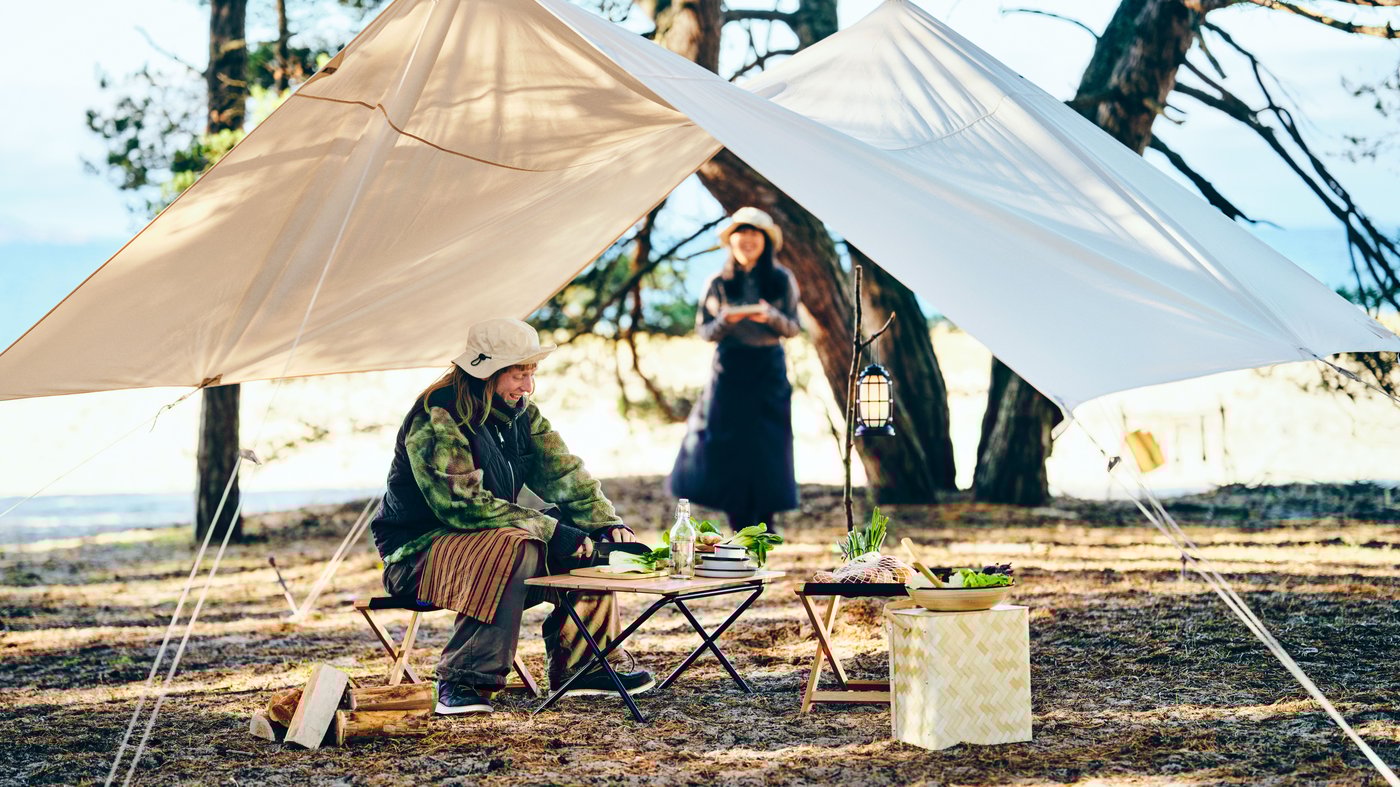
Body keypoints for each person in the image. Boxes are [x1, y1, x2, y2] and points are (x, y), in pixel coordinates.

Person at [369, 317, 654, 715]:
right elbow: (462, 505)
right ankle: (464, 678)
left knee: (592, 547)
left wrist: (606, 523)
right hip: (417, 555)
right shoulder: (438, 416)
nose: (527, 386)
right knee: (519, 545)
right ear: (485, 373)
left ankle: (584, 664)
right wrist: (553, 532)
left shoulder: (521, 412)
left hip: (487, 547)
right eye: (518, 374)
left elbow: (564, 472)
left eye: (531, 373)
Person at [669, 206, 801, 532]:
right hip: (729, 369)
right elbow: (704, 330)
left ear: (766, 240)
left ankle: (765, 527)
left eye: (754, 233)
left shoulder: (781, 279)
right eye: (741, 233)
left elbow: (793, 327)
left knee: (767, 446)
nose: (747, 240)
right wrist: (725, 321)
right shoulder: (717, 282)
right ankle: (737, 526)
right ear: (732, 241)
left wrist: (769, 316)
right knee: (728, 445)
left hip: (768, 370)